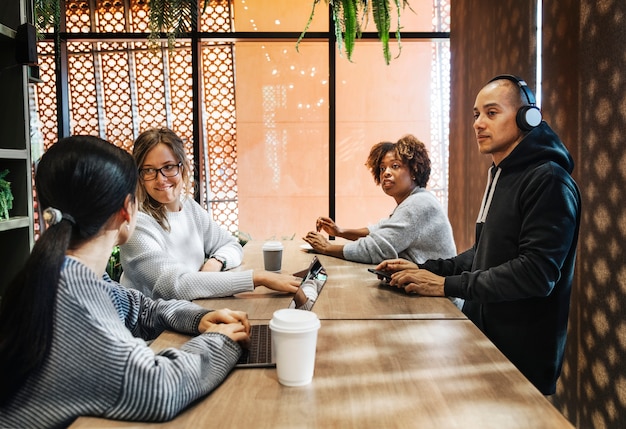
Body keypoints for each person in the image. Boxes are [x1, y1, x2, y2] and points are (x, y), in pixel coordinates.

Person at [0, 136, 251, 428]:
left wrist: (199, 318)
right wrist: (221, 342)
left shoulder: (64, 274)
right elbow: (160, 389)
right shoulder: (72, 300)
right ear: (127, 209)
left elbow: (139, 308)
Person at [377, 75, 581, 395]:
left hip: (520, 361)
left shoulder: (549, 180)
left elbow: (536, 274)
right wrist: (427, 270)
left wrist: (445, 286)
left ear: (527, 117)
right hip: (484, 341)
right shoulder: (502, 174)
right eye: (476, 115)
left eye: (492, 112)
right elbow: (483, 252)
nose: (478, 124)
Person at [120, 128, 300, 300]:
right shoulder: (137, 224)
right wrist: (258, 278)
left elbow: (231, 245)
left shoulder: (189, 207)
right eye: (149, 170)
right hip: (153, 330)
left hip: (191, 311)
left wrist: (215, 262)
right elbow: (178, 285)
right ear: (140, 177)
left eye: (168, 167)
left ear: (182, 168)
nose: (161, 179)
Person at [303, 134, 457, 265]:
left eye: (395, 166)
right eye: (382, 168)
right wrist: (340, 231)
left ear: (414, 171)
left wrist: (326, 248)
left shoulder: (419, 204)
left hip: (440, 299)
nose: (386, 173)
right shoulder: (415, 199)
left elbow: (378, 248)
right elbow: (381, 230)